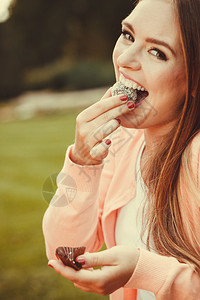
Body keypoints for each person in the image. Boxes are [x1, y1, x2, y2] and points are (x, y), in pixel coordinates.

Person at [42, 0, 200, 299]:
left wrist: (143, 271)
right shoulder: (123, 145)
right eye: (128, 34)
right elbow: (65, 252)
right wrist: (83, 161)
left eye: (157, 52)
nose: (125, 59)